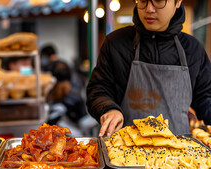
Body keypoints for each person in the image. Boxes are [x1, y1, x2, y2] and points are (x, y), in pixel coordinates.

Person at [87, 0, 211, 137]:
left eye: (158, 1)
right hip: (123, 151)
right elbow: (98, 90)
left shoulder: (193, 49)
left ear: (177, 2)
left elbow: (205, 98)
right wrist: (108, 108)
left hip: (180, 154)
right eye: (143, 1)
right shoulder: (116, 44)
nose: (149, 9)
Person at [47, 60, 90, 135]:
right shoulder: (74, 95)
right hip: (72, 135)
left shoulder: (50, 92)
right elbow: (83, 118)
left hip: (62, 134)